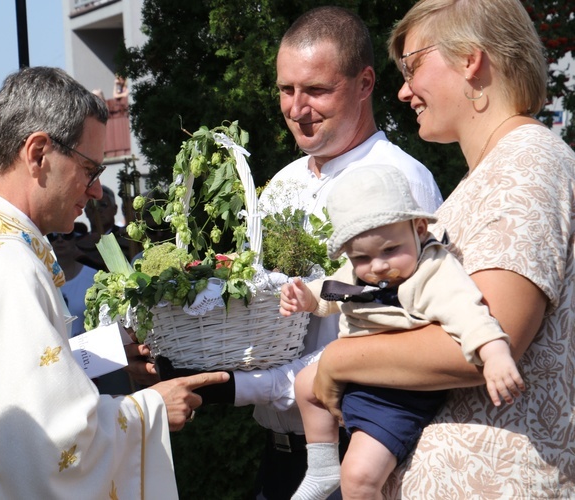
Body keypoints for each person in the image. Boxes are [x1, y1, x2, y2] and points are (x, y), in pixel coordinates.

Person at [127, 7, 444, 499]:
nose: (297, 108)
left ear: (364, 83)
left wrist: (237, 385)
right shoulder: (281, 187)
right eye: (285, 90)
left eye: (316, 90)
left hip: (362, 455)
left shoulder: (399, 182)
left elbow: (398, 330)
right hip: (279, 454)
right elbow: (261, 316)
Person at [0, 66, 229, 498]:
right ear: (37, 154)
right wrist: (152, 411)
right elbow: (52, 445)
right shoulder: (9, 266)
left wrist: (102, 354)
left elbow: (0, 379)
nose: (94, 192)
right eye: (90, 170)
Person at [310, 0, 575, 497]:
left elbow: (488, 341)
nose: (404, 89)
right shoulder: (498, 169)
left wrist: (338, 360)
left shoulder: (525, 162)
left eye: (411, 67)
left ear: (471, 60)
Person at [278, 165, 523, 499]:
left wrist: (494, 352)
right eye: (361, 256)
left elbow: (467, 310)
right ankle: (321, 467)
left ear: (420, 229)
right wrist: (307, 298)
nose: (377, 266)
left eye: (390, 251)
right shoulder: (359, 270)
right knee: (306, 382)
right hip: (360, 374)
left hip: (397, 392)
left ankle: (345, 479)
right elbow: (332, 290)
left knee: (359, 477)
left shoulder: (432, 272)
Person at [48, 227, 98, 336]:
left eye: (66, 235)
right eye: (53, 236)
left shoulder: (93, 276)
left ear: (75, 239)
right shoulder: (41, 277)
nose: (60, 240)